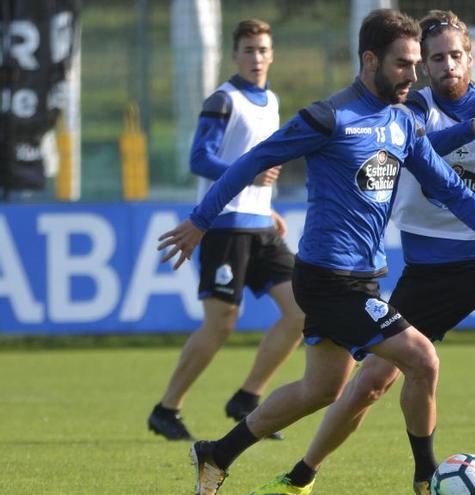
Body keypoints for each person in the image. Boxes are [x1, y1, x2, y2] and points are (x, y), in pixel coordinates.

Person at [157, 9, 475, 495]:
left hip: (363, 277)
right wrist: (201, 221)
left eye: (415, 65)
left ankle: (216, 454)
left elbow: (451, 188)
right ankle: (425, 478)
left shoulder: (401, 124)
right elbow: (253, 160)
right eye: (402, 65)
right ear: (369, 60)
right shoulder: (327, 117)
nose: (413, 77)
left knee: (322, 390)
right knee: (422, 359)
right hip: (330, 279)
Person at [276, 10, 475, 495]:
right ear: (423, 66)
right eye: (436, 58)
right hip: (431, 270)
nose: (448, 65)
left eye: (455, 55)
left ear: (471, 57)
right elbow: (416, 148)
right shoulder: (407, 110)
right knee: (371, 383)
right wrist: (471, 128)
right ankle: (300, 476)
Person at [148, 19, 304, 442]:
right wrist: (249, 176)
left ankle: (247, 399)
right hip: (224, 228)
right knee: (220, 324)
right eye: (248, 50)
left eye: (263, 50)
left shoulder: (271, 100)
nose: (256, 58)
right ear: (234, 55)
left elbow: (259, 164)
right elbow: (200, 159)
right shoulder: (223, 99)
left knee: (301, 311)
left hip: (261, 227)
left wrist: (266, 208)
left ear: (272, 55)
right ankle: (167, 409)